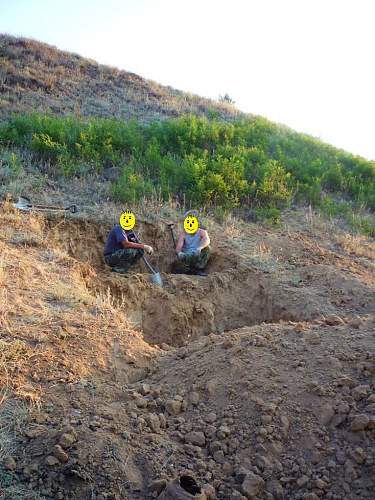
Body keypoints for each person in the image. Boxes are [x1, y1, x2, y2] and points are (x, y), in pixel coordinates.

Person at [175, 211, 211, 276]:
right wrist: (180, 254)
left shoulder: (201, 232)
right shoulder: (183, 234)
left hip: (197, 253)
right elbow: (178, 247)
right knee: (182, 260)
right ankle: (188, 269)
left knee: (207, 248)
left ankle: (198, 269)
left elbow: (207, 240)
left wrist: (200, 248)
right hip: (187, 255)